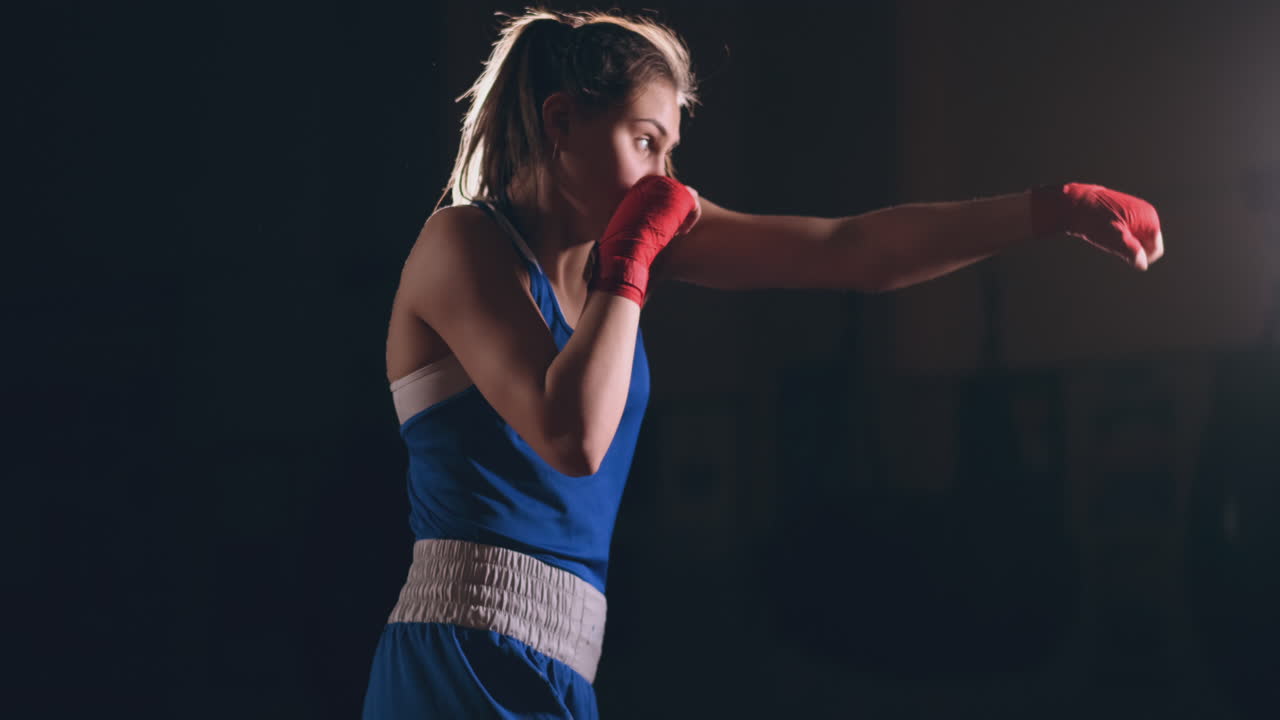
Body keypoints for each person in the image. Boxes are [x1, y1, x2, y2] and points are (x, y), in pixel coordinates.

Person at [363, 7, 1165, 719]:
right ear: (562, 121)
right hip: (456, 660)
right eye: (644, 141)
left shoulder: (621, 259)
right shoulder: (462, 243)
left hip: (565, 667)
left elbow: (852, 250)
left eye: (670, 150)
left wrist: (1049, 209)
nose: (662, 177)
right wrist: (632, 259)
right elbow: (572, 437)